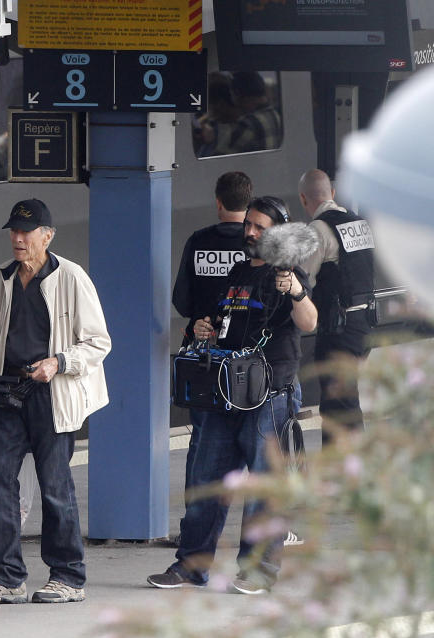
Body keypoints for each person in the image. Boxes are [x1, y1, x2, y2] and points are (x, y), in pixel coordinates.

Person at [148, 196, 317, 594]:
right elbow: (214, 321)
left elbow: (309, 321)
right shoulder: (237, 272)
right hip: (225, 394)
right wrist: (202, 329)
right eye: (249, 226)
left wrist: (293, 290)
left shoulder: (289, 273)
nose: (251, 232)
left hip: (269, 397)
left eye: (260, 227)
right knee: (207, 481)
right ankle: (191, 566)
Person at [0, 199, 111, 605]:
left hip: (52, 394)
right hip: (9, 391)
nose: (17, 238)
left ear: (47, 236)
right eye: (13, 231)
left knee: (54, 486)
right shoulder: (3, 276)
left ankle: (68, 576)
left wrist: (59, 362)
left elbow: (99, 343)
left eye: (26, 232)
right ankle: (7, 576)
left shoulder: (71, 277)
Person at [172, 171, 252, 534]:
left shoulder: (199, 241)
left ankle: (195, 519)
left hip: (206, 355)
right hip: (250, 361)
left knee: (203, 439)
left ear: (217, 202)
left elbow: (181, 300)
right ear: (248, 203)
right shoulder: (257, 247)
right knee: (256, 440)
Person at [297, 169, 375, 446]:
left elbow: (303, 280)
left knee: (338, 406)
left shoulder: (317, 231)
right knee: (346, 399)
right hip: (364, 325)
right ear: (331, 193)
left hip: (338, 330)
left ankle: (346, 474)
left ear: (303, 198)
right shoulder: (359, 223)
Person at [220, 72, 282, 155]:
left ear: (237, 93)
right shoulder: (276, 115)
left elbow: (222, 157)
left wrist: (212, 139)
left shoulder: (248, 124)